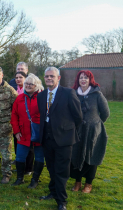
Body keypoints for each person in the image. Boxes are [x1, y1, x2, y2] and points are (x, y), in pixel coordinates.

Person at [37, 67, 82, 210]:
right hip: (47, 139)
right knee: (51, 168)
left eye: (52, 76)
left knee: (61, 171)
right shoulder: (41, 95)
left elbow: (78, 117)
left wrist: (67, 130)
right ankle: (53, 193)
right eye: (47, 76)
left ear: (59, 78)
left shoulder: (69, 93)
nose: (49, 78)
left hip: (64, 140)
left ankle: (62, 201)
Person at [70, 70, 110, 193]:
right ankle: (77, 181)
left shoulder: (97, 94)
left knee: (91, 156)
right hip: (77, 131)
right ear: (78, 80)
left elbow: (105, 113)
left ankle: (88, 183)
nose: (83, 80)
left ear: (90, 80)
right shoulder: (73, 94)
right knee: (76, 155)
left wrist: (96, 123)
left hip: (93, 131)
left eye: (86, 78)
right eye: (81, 78)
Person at [11, 73, 45, 188]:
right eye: (27, 83)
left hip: (39, 132)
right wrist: (16, 131)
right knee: (20, 156)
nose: (28, 86)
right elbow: (14, 115)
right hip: (23, 132)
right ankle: (20, 178)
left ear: (37, 85)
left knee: (39, 157)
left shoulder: (43, 97)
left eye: (31, 84)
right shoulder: (19, 98)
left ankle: (35, 180)